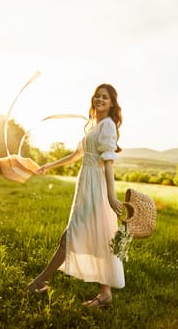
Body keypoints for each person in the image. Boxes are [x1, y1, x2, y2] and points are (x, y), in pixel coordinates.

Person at [26, 83, 125, 307]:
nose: (99, 99)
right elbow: (76, 154)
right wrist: (48, 166)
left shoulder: (108, 125)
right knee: (99, 236)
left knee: (69, 237)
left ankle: (38, 283)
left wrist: (111, 196)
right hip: (85, 185)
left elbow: (108, 162)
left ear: (111, 104)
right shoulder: (93, 126)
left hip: (96, 187)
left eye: (105, 97)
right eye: (97, 96)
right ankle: (106, 295)